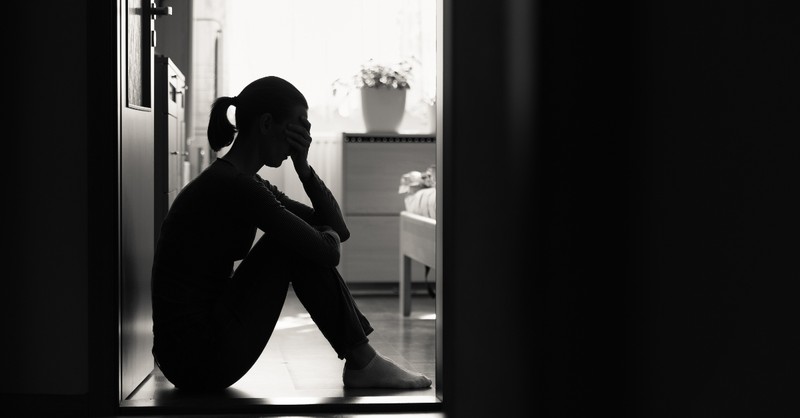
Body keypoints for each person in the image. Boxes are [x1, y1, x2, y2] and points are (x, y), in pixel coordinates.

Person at [151, 76, 432, 392]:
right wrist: (322, 237)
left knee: (294, 241)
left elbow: (338, 231)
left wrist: (304, 169)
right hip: (197, 359)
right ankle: (363, 361)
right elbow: (328, 250)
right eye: (299, 127)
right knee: (287, 246)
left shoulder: (243, 181)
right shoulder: (236, 186)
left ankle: (363, 361)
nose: (305, 138)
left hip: (190, 354)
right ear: (268, 123)